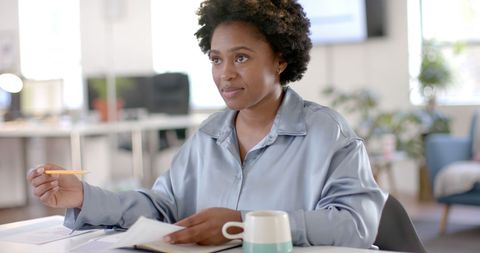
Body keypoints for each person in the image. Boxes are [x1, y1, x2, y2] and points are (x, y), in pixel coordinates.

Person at [27, 0, 387, 248]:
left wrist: (242, 224)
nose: (225, 74)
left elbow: (355, 225)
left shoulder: (327, 133)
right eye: (216, 59)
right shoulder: (209, 135)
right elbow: (164, 207)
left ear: (280, 59)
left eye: (241, 57)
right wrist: (86, 196)